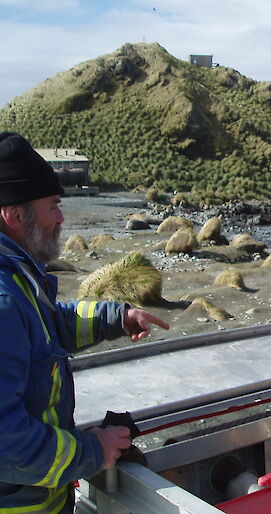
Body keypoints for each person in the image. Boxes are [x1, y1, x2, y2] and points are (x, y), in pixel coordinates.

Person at [0, 132, 170, 512]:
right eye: (53, 207)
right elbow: (3, 439)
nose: (61, 219)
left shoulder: (15, 279)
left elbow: (48, 327)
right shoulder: (3, 299)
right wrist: (90, 451)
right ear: (13, 216)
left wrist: (117, 317)